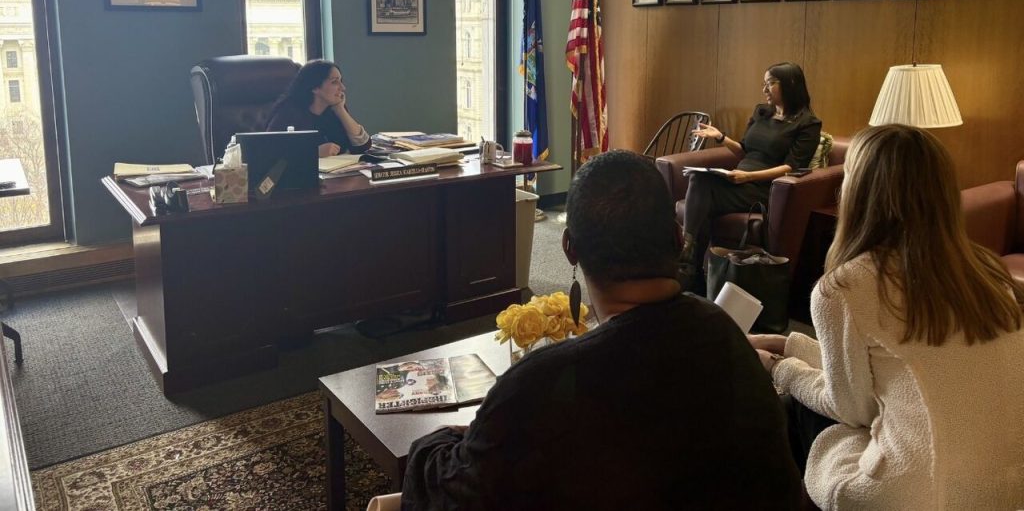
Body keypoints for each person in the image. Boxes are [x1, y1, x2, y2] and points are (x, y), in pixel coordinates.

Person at [401, 150, 802, 510]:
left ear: (569, 248)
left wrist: (450, 437)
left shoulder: (539, 383)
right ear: (678, 239)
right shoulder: (725, 334)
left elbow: (446, 490)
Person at [750, 125, 1024, 509]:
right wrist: (788, 342)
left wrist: (779, 367)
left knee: (795, 409)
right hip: (1005, 491)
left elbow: (852, 409)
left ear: (858, 192)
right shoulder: (988, 274)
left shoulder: (846, 288)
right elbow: (894, 366)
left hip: (918, 494)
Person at [682, 62, 821, 288]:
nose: (764, 90)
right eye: (763, 84)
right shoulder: (762, 112)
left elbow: (791, 167)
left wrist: (749, 177)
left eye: (770, 84)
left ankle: (689, 265)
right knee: (699, 179)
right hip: (738, 179)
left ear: (791, 83)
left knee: (703, 196)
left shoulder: (808, 124)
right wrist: (720, 138)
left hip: (765, 187)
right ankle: (692, 266)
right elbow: (745, 149)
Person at [265, 59, 370, 157]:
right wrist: (314, 152)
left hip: (336, 174)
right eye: (334, 82)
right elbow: (269, 151)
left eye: (341, 81)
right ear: (315, 87)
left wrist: (340, 110)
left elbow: (363, 146)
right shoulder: (288, 112)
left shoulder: (335, 109)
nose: (342, 88)